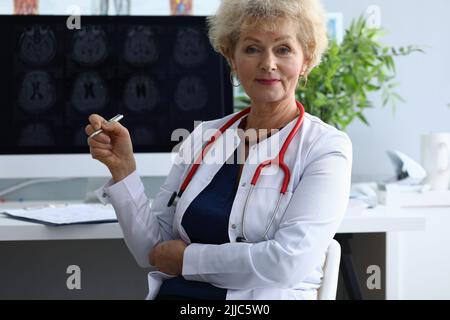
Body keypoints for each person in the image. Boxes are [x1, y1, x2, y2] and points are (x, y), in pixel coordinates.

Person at [85, 0, 352, 300]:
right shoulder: (205, 136)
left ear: (306, 60)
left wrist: (188, 261)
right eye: (252, 48)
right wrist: (123, 170)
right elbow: (152, 251)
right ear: (232, 58)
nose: (268, 63)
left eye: (283, 49)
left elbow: (286, 262)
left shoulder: (325, 147)